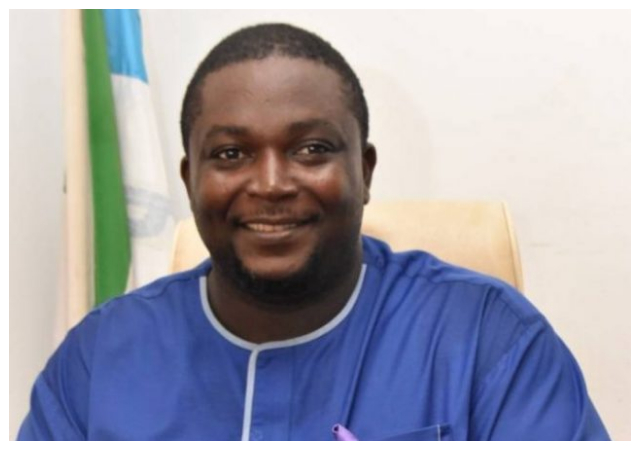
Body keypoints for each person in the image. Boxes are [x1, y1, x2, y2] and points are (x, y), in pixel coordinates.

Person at [18, 23, 610, 441]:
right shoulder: (97, 362)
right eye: (230, 154)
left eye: (311, 149)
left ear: (365, 171)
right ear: (189, 180)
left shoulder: (491, 343)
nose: (271, 184)